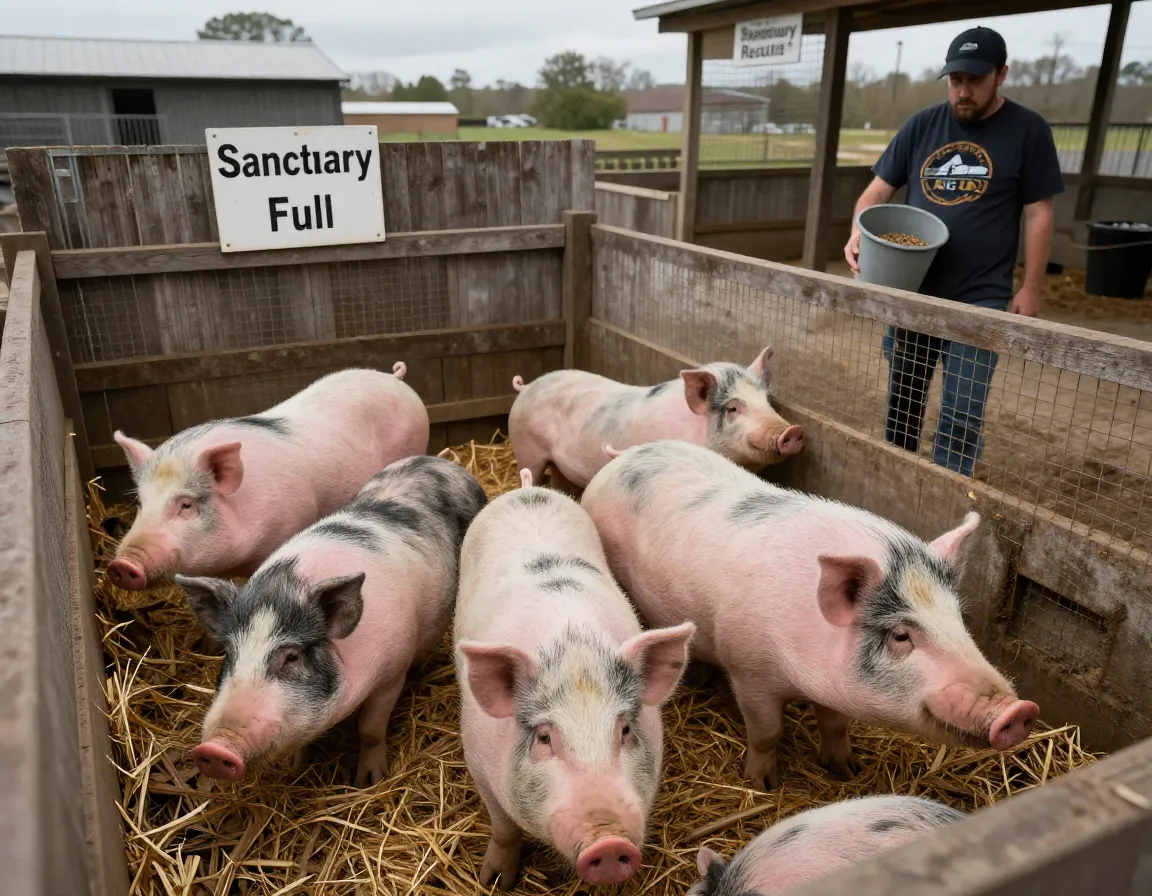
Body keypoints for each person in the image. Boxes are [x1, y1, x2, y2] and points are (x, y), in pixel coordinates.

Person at [844, 26, 1064, 478]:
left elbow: (1039, 213)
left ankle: (945, 493)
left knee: (962, 411)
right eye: (955, 80)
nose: (963, 91)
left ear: (1001, 75)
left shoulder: (1028, 131)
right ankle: (897, 481)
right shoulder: (922, 125)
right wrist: (856, 234)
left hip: (980, 295)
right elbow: (874, 193)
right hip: (914, 290)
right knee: (903, 401)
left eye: (975, 80)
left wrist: (1031, 287)